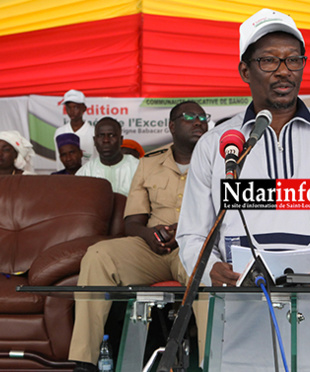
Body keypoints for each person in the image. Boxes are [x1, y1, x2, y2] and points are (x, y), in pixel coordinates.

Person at [176, 8, 310, 371]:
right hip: (241, 319)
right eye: (269, 60)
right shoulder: (217, 146)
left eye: (293, 59)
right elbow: (193, 232)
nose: (284, 70)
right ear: (245, 70)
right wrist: (211, 270)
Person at [69, 101, 210, 372]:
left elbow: (226, 217)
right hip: (154, 249)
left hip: (196, 246)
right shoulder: (148, 164)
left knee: (208, 270)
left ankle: (208, 363)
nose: (198, 122)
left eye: (203, 117)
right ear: (171, 126)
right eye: (190, 116)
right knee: (98, 256)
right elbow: (132, 223)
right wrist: (148, 234)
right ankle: (84, 361)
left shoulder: (219, 163)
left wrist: (181, 231)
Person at [75, 117, 139, 196]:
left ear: (121, 140)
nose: (106, 140)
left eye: (111, 135)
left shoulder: (138, 168)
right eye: (101, 136)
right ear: (94, 141)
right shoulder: (84, 173)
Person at [54, 89, 96, 169]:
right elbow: (59, 162)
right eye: (68, 108)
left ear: (84, 108)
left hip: (89, 178)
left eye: (75, 107)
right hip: (67, 179)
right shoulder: (60, 132)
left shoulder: (93, 132)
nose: (72, 111)